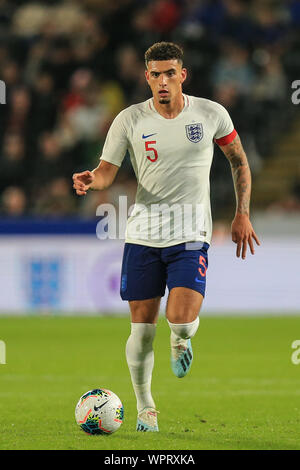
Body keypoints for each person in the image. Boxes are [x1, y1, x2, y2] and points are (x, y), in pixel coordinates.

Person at [72, 42, 260, 432]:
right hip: (142, 234)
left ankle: (182, 339)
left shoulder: (210, 114)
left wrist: (242, 213)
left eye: (170, 73)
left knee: (180, 319)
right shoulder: (129, 119)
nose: (162, 81)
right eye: (155, 74)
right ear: (146, 77)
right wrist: (93, 180)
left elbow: (239, 161)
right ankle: (146, 410)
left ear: (182, 75)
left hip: (191, 232)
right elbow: (107, 170)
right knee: (140, 331)